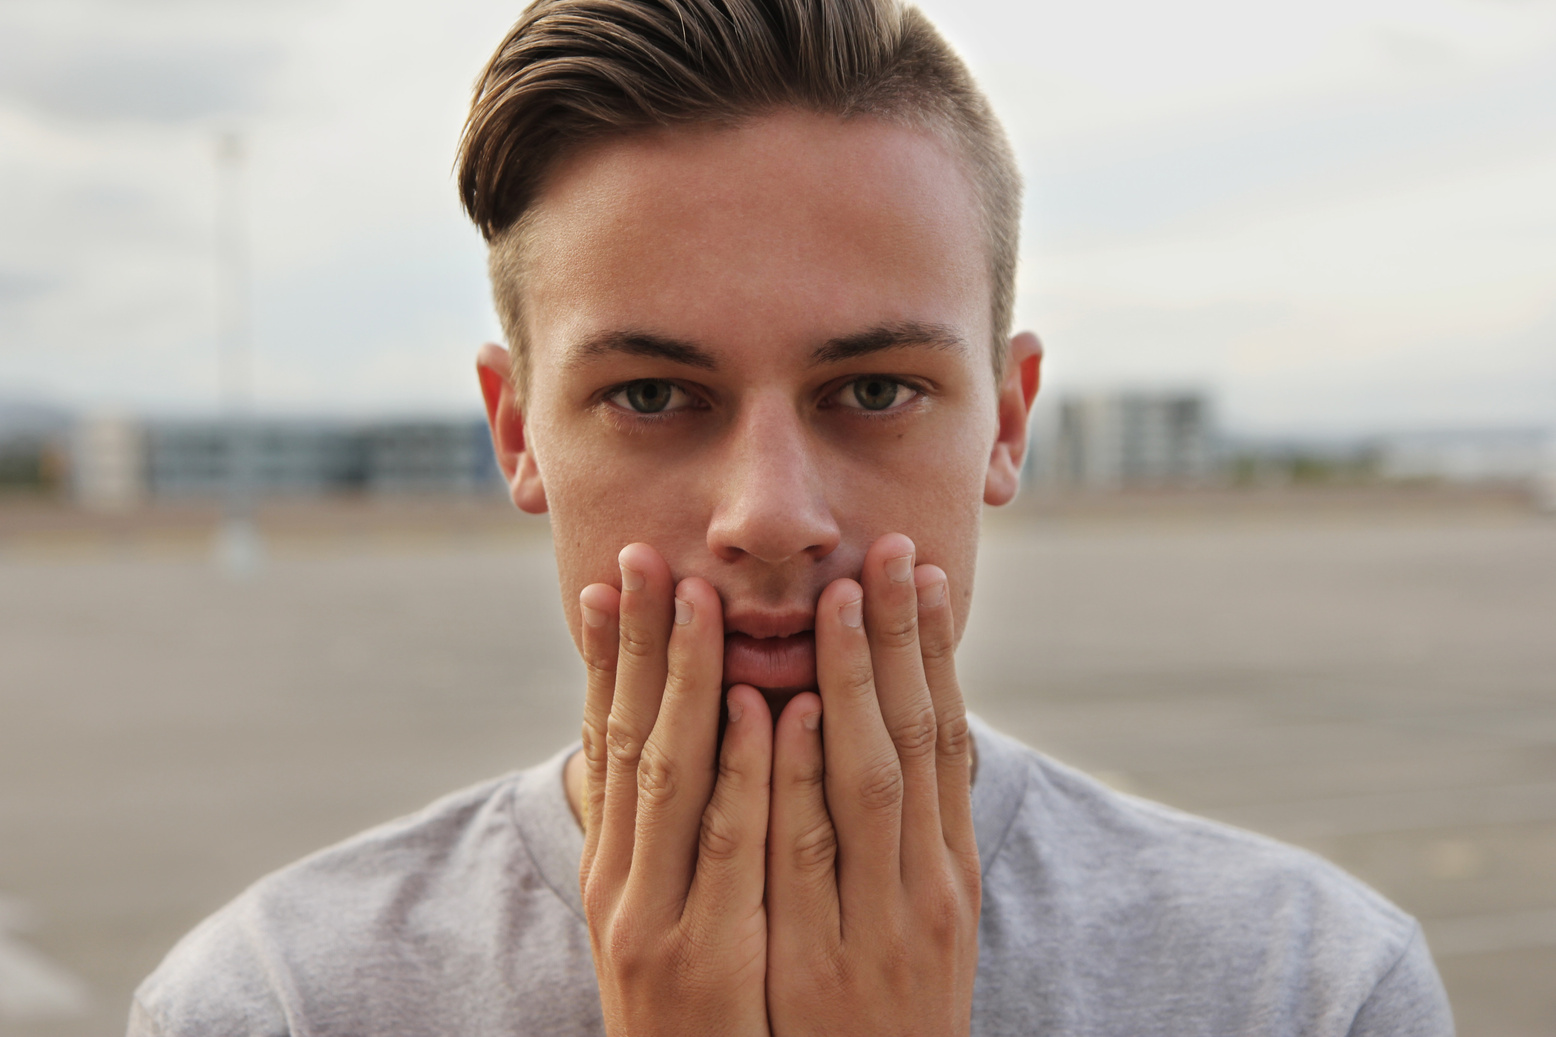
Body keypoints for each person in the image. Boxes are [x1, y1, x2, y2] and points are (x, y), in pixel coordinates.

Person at [128, 1, 1455, 1034]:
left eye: (873, 388)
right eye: (654, 392)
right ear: (518, 427)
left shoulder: (1309, 987)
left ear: (1006, 416)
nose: (771, 515)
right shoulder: (273, 1003)